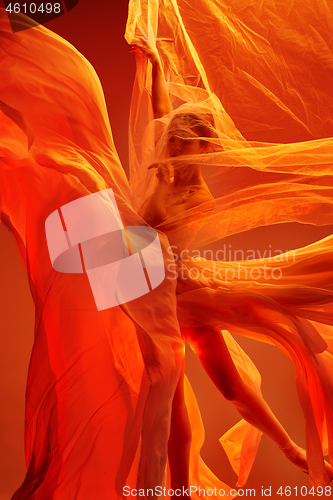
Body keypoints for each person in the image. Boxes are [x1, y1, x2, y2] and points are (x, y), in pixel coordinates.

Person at [129, 34, 333, 489]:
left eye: (186, 140)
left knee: (228, 386)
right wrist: (156, 66)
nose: (173, 143)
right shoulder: (162, 172)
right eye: (174, 138)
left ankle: (293, 451)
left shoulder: (197, 194)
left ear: (204, 149)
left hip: (184, 295)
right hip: (154, 299)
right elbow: (161, 112)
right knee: (170, 400)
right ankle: (179, 487)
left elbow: (167, 245)